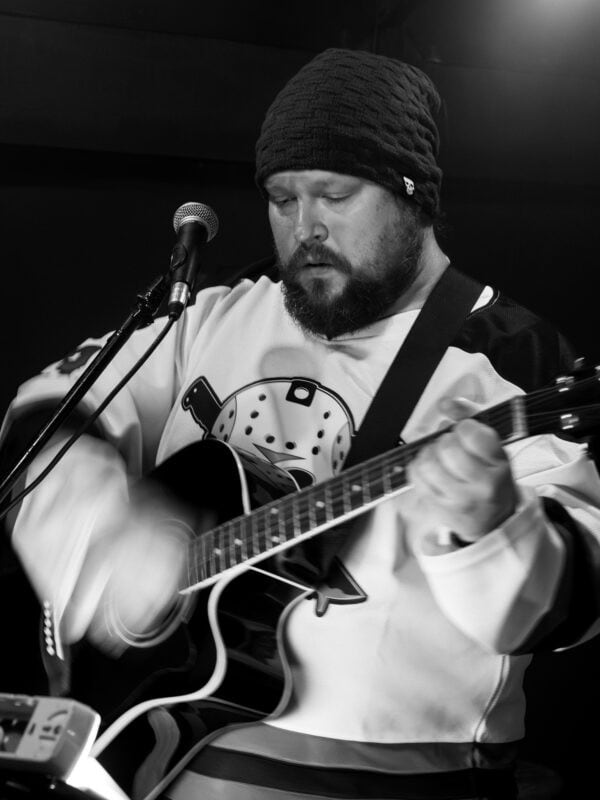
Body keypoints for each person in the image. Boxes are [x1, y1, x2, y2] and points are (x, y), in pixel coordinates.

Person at [2, 47, 600, 800]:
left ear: (414, 195)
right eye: (284, 199)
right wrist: (104, 532)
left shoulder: (518, 356)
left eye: (335, 194)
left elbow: (578, 600)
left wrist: (492, 533)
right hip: (147, 756)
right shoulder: (208, 314)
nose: (305, 227)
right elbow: (42, 417)